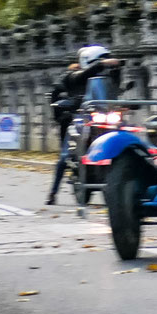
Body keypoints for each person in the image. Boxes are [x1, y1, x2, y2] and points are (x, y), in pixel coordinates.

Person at [46, 45, 128, 206]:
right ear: (88, 61)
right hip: (79, 116)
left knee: (124, 131)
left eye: (105, 60)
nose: (105, 64)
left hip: (104, 115)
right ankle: (53, 192)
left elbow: (113, 91)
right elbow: (85, 74)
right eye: (101, 61)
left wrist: (117, 69)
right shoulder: (72, 75)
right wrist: (102, 64)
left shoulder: (104, 78)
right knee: (65, 156)